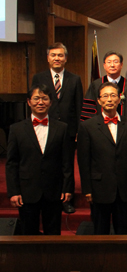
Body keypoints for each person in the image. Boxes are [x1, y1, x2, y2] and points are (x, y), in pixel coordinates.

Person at [6, 84, 74, 235]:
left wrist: (67, 187)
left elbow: (67, 162)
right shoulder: (16, 129)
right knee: (28, 235)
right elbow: (11, 163)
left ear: (50, 102)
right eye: (36, 98)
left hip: (54, 190)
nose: (40, 102)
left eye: (45, 98)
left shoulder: (62, 128)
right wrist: (13, 191)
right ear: (29, 102)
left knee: (53, 233)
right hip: (27, 191)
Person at [77, 82, 127, 235]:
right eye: (105, 96)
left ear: (120, 99)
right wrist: (87, 189)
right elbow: (83, 161)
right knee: (100, 230)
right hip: (99, 187)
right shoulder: (87, 126)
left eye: (113, 95)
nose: (109, 99)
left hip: (123, 187)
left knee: (122, 229)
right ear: (99, 101)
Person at [31, 42, 82, 214]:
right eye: (53, 55)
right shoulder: (38, 78)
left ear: (66, 58)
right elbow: (35, 102)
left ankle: (67, 199)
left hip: (67, 130)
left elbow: (78, 106)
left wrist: (76, 131)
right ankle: (46, 196)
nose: (57, 58)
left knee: (67, 165)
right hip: (45, 128)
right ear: (48, 58)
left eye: (60, 55)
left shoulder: (75, 79)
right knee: (48, 164)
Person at [81, 51, 127, 121]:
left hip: (124, 127)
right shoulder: (96, 85)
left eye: (115, 62)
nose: (112, 65)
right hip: (100, 127)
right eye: (109, 62)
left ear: (121, 65)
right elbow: (89, 111)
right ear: (104, 65)